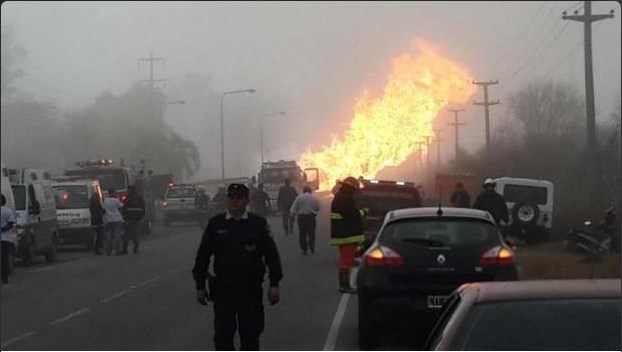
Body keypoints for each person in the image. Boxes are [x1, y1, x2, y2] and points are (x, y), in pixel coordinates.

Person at [192, 183, 283, 351]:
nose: (235, 201)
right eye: (232, 197)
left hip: (250, 289)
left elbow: (271, 255)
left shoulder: (257, 224)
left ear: (246, 201)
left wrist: (274, 284)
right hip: (223, 290)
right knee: (223, 336)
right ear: (227, 199)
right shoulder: (216, 224)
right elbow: (203, 256)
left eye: (239, 198)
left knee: (250, 335)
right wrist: (200, 286)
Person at [331, 176, 367, 294]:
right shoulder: (345, 198)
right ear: (350, 187)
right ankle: (344, 285)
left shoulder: (341, 196)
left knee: (346, 260)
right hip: (347, 234)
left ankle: (344, 284)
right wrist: (364, 212)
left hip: (343, 233)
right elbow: (352, 214)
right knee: (346, 261)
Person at [290, 186, 320, 255]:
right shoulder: (314, 198)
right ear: (310, 191)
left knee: (302, 234)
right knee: (311, 233)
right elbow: (317, 208)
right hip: (311, 217)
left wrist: (292, 217)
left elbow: (293, 208)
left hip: (302, 218)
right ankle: (312, 247)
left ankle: (304, 249)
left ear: (303, 191)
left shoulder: (299, 198)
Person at [123, 186, 145, 255]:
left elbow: (125, 208)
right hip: (137, 219)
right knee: (135, 234)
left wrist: (125, 217)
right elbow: (143, 208)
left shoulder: (128, 198)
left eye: (128, 190)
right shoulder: (139, 197)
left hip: (129, 219)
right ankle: (136, 247)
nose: (127, 191)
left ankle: (125, 249)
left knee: (126, 234)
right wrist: (141, 217)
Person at [103, 189, 125, 256]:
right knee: (117, 235)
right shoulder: (116, 200)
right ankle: (117, 250)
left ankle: (108, 251)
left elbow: (103, 209)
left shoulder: (105, 201)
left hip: (108, 220)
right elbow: (121, 206)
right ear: (112, 193)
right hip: (117, 219)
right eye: (115, 193)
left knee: (108, 236)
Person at [1, 194, 16, 284]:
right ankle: (4, 278)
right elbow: (10, 224)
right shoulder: (8, 211)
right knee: (4, 259)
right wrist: (2, 229)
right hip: (5, 239)